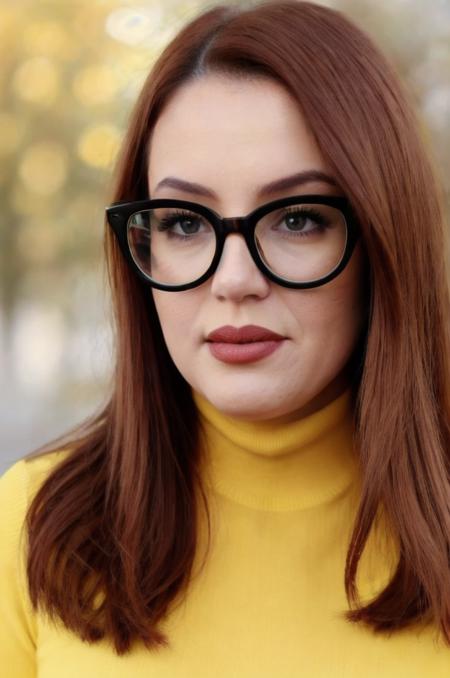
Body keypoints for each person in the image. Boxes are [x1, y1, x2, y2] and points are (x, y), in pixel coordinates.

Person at [1, 0, 449, 675]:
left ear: (384, 241)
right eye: (184, 223)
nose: (234, 281)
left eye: (297, 219)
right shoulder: (33, 526)